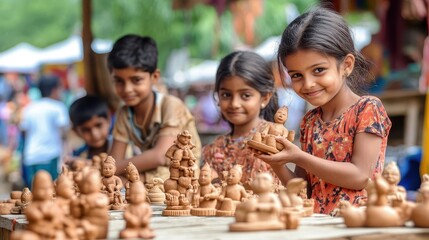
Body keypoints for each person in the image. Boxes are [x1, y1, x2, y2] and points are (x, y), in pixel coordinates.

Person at [257, 7, 392, 215]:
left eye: (318, 70)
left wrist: (298, 157)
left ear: (346, 65)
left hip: (356, 225)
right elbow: (302, 189)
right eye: (296, 75)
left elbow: (360, 176)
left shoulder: (368, 109)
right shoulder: (309, 121)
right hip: (317, 226)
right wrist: (277, 161)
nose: (308, 84)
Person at [107, 34, 201, 183]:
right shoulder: (124, 113)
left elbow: (159, 156)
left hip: (182, 176)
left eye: (136, 80)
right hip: (149, 175)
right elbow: (113, 162)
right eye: (119, 81)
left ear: (155, 77)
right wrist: (112, 169)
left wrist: (113, 169)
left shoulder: (171, 106)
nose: (127, 89)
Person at [201, 50, 283, 188]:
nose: (234, 104)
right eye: (226, 95)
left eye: (245, 95)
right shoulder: (214, 148)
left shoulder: (274, 140)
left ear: (265, 97)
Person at [20, 75, 70, 188]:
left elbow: (24, 132)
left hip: (31, 156)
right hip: (51, 156)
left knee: (33, 194)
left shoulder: (29, 108)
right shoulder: (58, 107)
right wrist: (67, 154)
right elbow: (63, 134)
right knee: (51, 193)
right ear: (54, 89)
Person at [68, 94, 112, 161]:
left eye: (98, 125)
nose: (95, 134)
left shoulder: (126, 148)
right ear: (76, 131)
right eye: (86, 130)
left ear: (108, 119)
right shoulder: (77, 157)